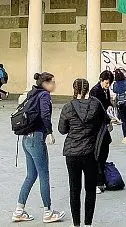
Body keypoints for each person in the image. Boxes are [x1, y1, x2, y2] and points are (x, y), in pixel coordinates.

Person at [12, 72, 65, 223]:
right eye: (52, 82)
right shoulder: (44, 95)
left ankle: (19, 210)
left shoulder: (32, 93)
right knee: (44, 175)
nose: (54, 84)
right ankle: (48, 212)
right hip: (36, 138)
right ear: (45, 83)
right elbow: (45, 115)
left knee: (31, 175)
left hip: (26, 139)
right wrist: (49, 132)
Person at [58, 79, 106, 227]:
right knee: (90, 189)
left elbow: (62, 130)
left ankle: (76, 223)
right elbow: (103, 122)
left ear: (74, 89)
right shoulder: (96, 105)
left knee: (74, 189)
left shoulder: (68, 107)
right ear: (88, 89)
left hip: (72, 153)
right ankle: (88, 223)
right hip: (90, 152)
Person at [89, 70, 114, 194]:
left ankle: (101, 180)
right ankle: (97, 182)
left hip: (104, 126)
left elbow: (106, 103)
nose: (107, 85)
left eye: (109, 83)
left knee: (104, 152)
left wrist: (110, 106)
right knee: (98, 154)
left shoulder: (106, 90)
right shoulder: (95, 91)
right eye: (106, 83)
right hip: (97, 128)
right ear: (101, 80)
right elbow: (96, 109)